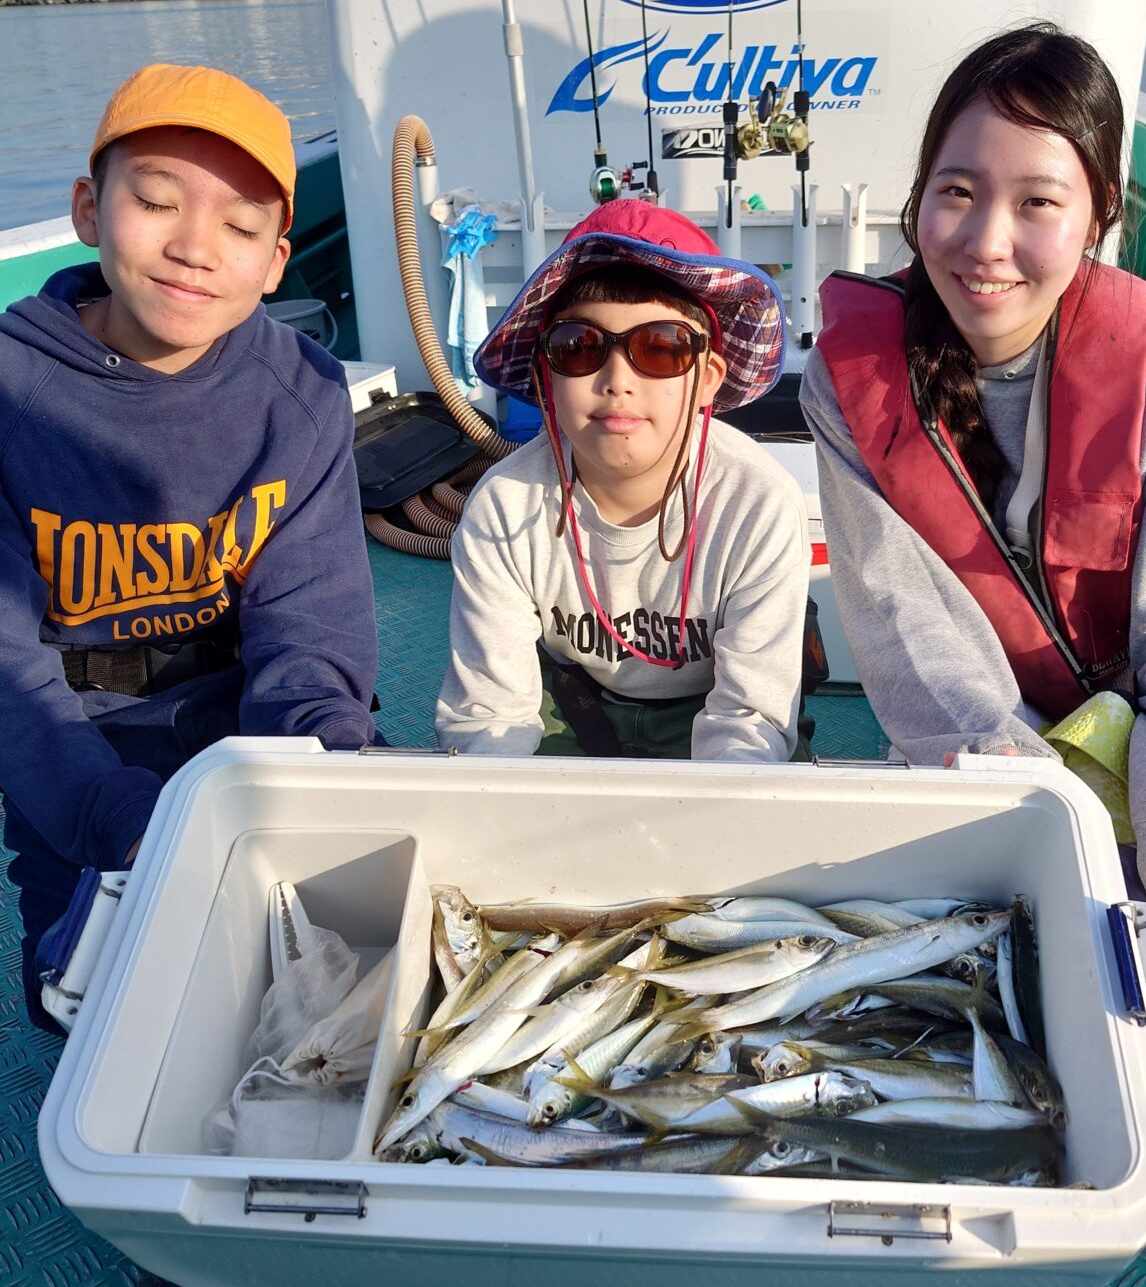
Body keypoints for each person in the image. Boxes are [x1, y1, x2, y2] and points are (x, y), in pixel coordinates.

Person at [801, 23, 1146, 933]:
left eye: (1037, 202)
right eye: (957, 192)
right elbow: (904, 620)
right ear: (921, 195)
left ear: (1098, 214)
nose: (986, 244)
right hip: (989, 716)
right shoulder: (849, 383)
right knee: (1022, 902)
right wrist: (1021, 788)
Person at [0, 63, 380, 1030]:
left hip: (245, 716)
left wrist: (312, 773)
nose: (194, 247)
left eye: (241, 227)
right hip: (78, 746)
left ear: (278, 261)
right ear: (89, 209)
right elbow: (10, 673)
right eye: (156, 201)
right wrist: (127, 825)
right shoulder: (11, 394)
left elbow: (310, 625)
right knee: (89, 1012)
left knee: (364, 975)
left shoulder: (302, 394)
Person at [435, 198, 810, 762]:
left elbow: (749, 716)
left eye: (661, 348)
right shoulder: (503, 507)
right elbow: (491, 716)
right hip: (571, 697)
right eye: (578, 347)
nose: (617, 380)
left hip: (715, 701)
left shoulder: (758, 503)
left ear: (708, 378)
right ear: (546, 376)